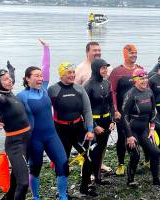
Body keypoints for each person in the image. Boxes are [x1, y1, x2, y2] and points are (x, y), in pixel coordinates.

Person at [17, 39, 69, 200]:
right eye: (36, 76)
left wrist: (47, 48)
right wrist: (1, 120)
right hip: (34, 139)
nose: (40, 78)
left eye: (41, 76)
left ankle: (62, 196)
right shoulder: (21, 96)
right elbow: (11, 112)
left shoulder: (44, 90)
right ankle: (36, 197)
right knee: (35, 168)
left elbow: (46, 66)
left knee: (63, 164)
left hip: (51, 136)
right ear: (27, 79)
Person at [48, 62, 99, 197]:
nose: (72, 75)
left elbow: (87, 110)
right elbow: (42, 108)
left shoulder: (79, 89)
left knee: (90, 156)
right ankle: (63, 193)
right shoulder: (52, 90)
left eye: (73, 72)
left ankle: (84, 187)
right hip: (61, 131)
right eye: (68, 72)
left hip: (78, 129)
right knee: (62, 163)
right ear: (61, 74)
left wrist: (89, 129)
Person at [0, 62, 30, 200]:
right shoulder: (1, 97)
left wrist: (11, 70)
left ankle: (9, 197)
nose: (10, 80)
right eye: (5, 79)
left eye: (9, 78)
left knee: (17, 176)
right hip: (15, 144)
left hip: (27, 140)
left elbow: (11, 77)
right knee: (23, 183)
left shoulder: (8, 89)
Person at [122, 68, 160, 187]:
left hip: (145, 129)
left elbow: (153, 112)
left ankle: (156, 180)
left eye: (146, 78)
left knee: (156, 152)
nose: (145, 81)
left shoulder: (149, 92)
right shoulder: (130, 94)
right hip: (132, 130)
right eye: (141, 78)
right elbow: (124, 116)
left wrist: (152, 128)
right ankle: (130, 180)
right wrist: (129, 136)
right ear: (135, 80)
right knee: (135, 155)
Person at [75, 41, 112, 172]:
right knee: (90, 146)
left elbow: (109, 97)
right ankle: (85, 170)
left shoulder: (105, 72)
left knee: (102, 145)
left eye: (98, 50)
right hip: (89, 116)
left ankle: (99, 166)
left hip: (104, 115)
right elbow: (75, 93)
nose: (97, 52)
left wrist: (112, 118)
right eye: (94, 50)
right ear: (87, 52)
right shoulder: (80, 69)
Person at [109, 44, 143, 175]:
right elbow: (112, 92)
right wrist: (115, 110)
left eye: (135, 52)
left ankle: (136, 160)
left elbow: (146, 89)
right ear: (125, 54)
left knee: (139, 136)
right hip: (123, 113)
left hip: (138, 111)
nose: (134, 55)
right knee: (123, 138)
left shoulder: (140, 69)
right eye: (131, 53)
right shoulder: (117, 72)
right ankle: (121, 164)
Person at [84, 58, 115, 185]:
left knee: (101, 150)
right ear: (96, 69)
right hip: (94, 123)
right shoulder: (88, 85)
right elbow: (85, 109)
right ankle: (87, 180)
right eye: (103, 68)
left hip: (106, 121)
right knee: (92, 152)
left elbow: (111, 103)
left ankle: (98, 178)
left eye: (106, 68)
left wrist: (112, 121)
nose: (105, 70)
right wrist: (94, 126)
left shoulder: (107, 83)